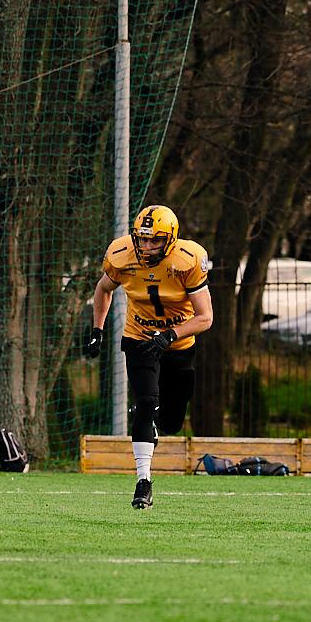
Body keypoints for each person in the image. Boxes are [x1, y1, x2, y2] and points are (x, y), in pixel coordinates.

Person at [83, 203, 212, 509]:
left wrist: (169, 336)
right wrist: (97, 330)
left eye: (155, 240)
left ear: (171, 239)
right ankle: (143, 482)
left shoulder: (188, 259)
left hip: (178, 344)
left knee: (171, 422)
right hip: (139, 338)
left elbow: (205, 317)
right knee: (146, 402)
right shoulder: (121, 255)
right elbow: (103, 289)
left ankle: (150, 417)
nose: (147, 246)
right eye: (142, 238)